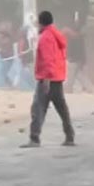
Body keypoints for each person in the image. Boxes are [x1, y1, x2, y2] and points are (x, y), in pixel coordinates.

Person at [21, 11, 74, 148]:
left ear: (41, 22)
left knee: (38, 108)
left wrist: (46, 79)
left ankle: (34, 138)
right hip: (57, 78)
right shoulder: (56, 34)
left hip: (48, 78)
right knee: (62, 109)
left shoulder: (46, 38)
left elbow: (48, 60)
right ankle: (70, 136)